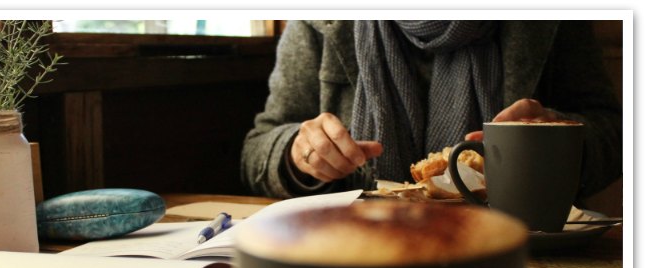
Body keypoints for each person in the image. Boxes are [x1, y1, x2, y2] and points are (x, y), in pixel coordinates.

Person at [240, 20, 622, 199]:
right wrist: (298, 153)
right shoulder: (320, 22)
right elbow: (256, 152)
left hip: (516, 256)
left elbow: (615, 133)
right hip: (355, 254)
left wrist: (563, 139)